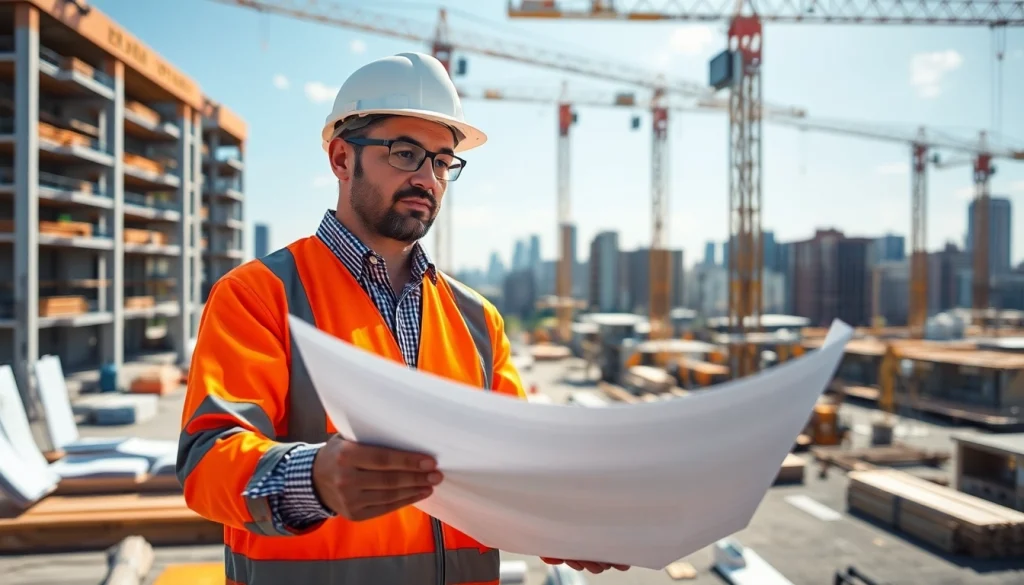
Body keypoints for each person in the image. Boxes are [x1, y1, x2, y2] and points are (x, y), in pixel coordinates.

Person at [177, 52, 630, 584]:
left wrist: (561, 518)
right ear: (341, 159)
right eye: (406, 153)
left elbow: (514, 470)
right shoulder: (259, 296)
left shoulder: (478, 322)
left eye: (442, 162)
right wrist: (315, 479)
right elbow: (207, 463)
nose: (427, 179)